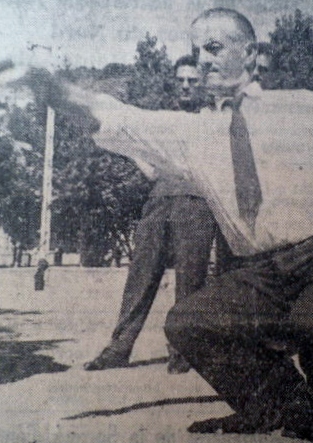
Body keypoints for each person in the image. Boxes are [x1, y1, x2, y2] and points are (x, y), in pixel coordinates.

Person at [67, 8, 313, 440]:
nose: (203, 59)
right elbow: (117, 116)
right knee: (189, 322)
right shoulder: (192, 133)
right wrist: (43, 85)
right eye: (196, 51)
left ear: (249, 52)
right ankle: (276, 403)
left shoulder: (301, 105)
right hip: (263, 271)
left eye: (213, 47)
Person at [84, 55, 217, 374]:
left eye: (192, 80)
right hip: (159, 199)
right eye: (181, 79)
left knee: (191, 279)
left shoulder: (212, 116)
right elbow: (133, 142)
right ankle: (119, 347)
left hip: (197, 201)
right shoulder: (163, 116)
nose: (186, 85)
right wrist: (145, 166)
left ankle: (182, 353)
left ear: (201, 84)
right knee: (141, 273)